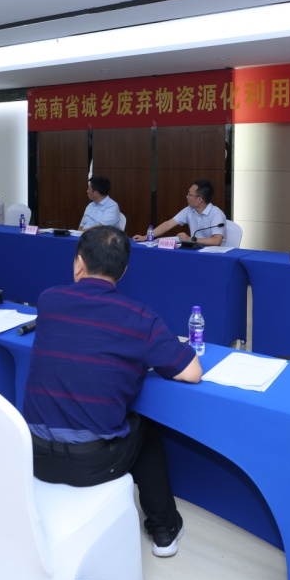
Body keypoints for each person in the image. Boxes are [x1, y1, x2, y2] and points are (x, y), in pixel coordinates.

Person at [23, 226, 202, 556]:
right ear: (123, 270)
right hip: (90, 463)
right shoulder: (140, 317)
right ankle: (164, 530)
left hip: (34, 455)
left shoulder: (48, 300)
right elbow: (192, 372)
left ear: (79, 262)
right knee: (145, 429)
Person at [136, 179, 226, 246]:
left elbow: (216, 241)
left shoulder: (216, 213)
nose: (187, 197)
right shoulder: (189, 210)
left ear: (199, 199)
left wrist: (190, 239)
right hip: (196, 250)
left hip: (215, 254)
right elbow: (168, 224)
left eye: (190, 195)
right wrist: (146, 237)